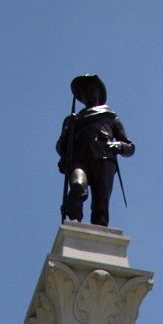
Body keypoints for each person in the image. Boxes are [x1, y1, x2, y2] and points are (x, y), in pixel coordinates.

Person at [57, 74, 134, 227]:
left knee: (101, 200)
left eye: (90, 90)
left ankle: (100, 229)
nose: (87, 94)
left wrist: (118, 146)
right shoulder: (72, 119)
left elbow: (130, 147)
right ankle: (74, 221)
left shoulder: (110, 117)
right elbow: (60, 148)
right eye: (84, 93)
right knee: (78, 186)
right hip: (79, 158)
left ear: (98, 93)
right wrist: (67, 131)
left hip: (104, 157)